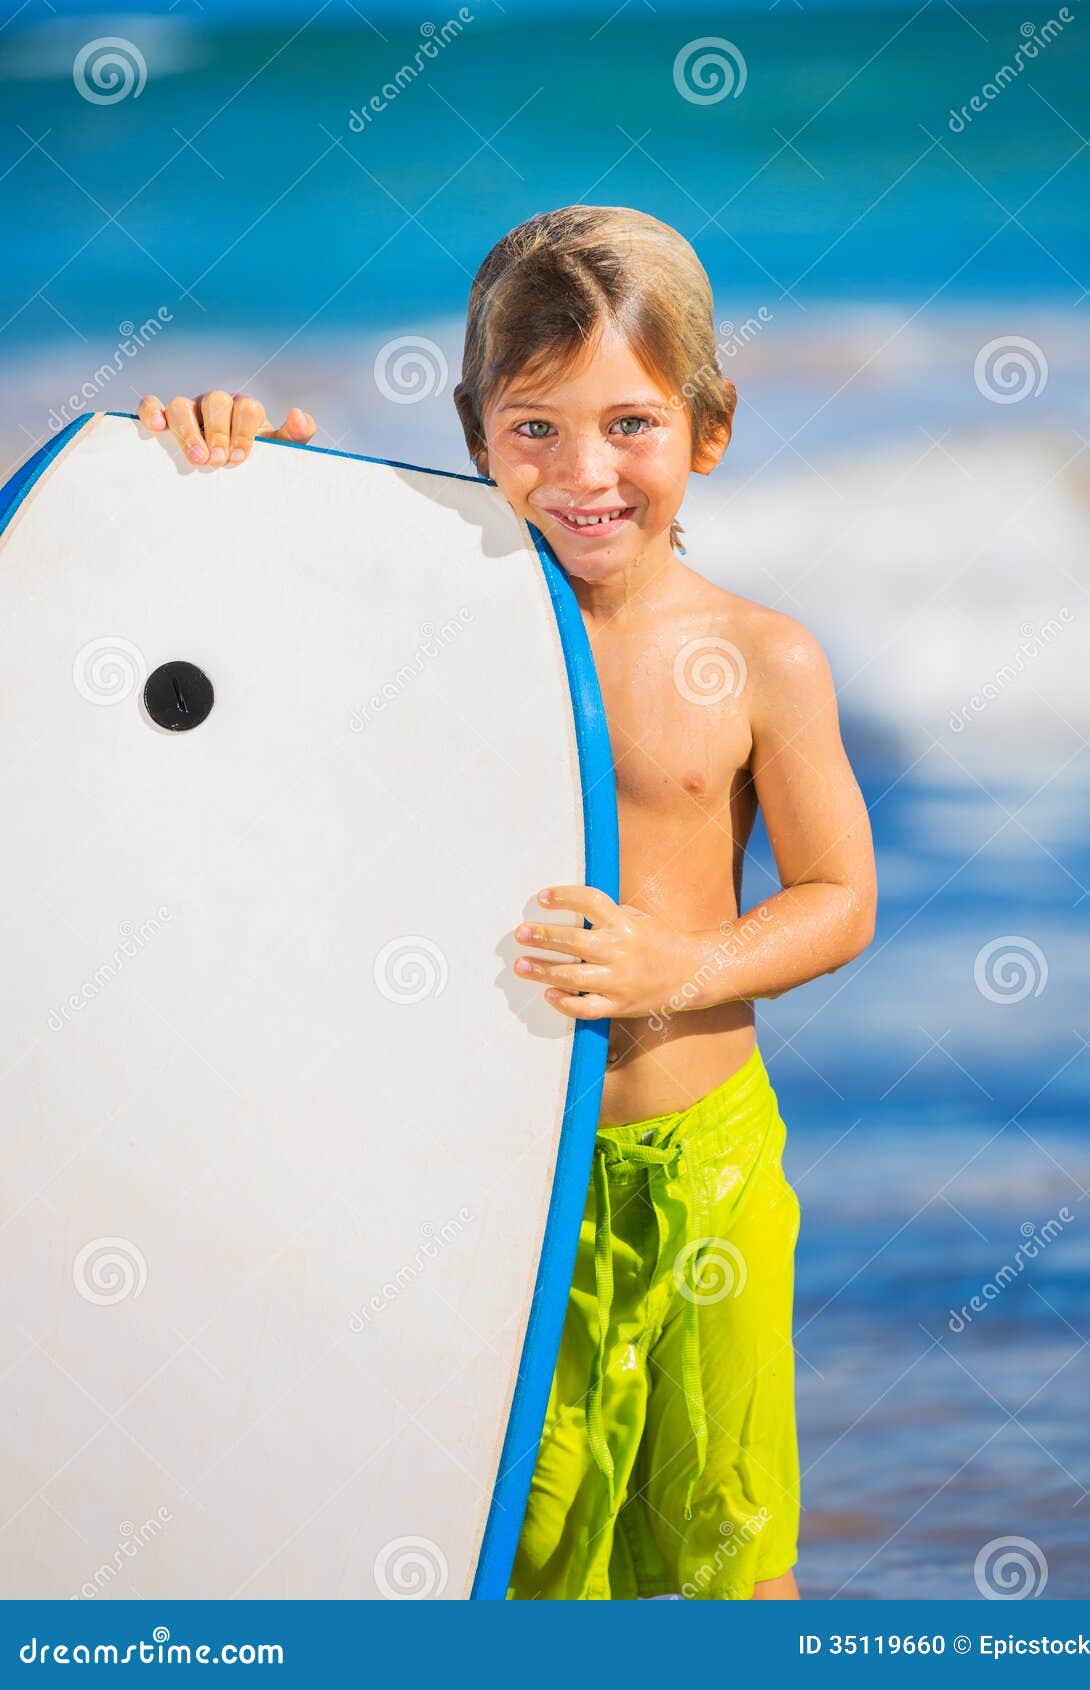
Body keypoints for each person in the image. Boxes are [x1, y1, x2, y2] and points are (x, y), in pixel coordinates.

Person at [137, 203, 877, 1601]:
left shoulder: (758, 654)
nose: (582, 471)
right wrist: (231, 474)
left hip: (703, 1165)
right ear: (475, 428)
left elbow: (839, 897)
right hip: (491, 1183)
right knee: (510, 1552)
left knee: (728, 1549)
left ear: (708, 430)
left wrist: (682, 963)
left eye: (631, 426)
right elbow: (242, 666)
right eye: (533, 428)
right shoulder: (421, 627)